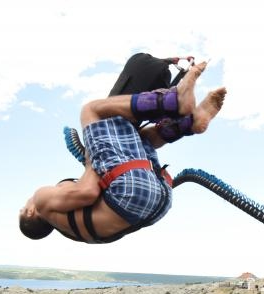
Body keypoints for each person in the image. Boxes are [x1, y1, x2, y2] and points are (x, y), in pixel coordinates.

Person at [19, 61, 226, 243]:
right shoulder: (42, 200)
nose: (26, 203)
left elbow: (95, 190)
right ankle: (173, 101)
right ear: (30, 212)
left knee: (139, 139)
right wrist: (91, 157)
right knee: (91, 111)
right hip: (128, 194)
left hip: (156, 204)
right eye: (23, 208)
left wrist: (96, 161)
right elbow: (87, 192)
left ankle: (190, 123)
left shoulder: (71, 229)